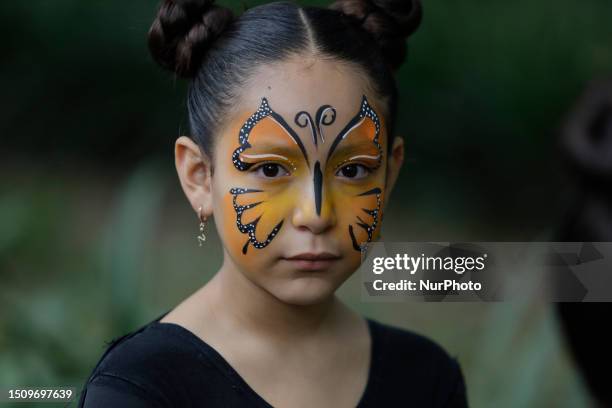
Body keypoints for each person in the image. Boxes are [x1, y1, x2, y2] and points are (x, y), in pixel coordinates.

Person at [78, 0, 468, 406]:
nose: (316, 215)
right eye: (270, 169)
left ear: (389, 174)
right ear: (199, 176)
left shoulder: (426, 379)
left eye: (353, 171)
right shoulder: (139, 388)